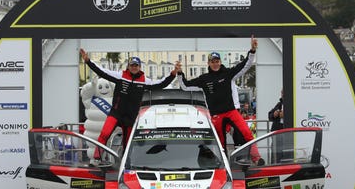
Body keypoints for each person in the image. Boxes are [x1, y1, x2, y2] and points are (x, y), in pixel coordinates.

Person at [80, 49, 180, 160]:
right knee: (104, 134)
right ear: (128, 66)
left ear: (140, 67)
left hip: (130, 117)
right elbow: (102, 72)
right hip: (116, 113)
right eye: (132, 65)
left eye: (136, 65)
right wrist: (88, 61)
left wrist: (173, 74)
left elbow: (161, 84)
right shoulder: (120, 76)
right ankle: (97, 158)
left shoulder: (144, 81)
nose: (134, 67)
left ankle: (125, 162)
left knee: (127, 143)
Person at [178, 36, 263, 165]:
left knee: (246, 132)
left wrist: (252, 51)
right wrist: (179, 74)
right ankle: (223, 165)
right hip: (216, 115)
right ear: (208, 63)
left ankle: (256, 158)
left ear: (220, 62)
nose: (215, 63)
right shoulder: (204, 79)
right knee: (220, 141)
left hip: (231, 111)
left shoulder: (228, 73)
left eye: (217, 61)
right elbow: (185, 86)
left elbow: (245, 65)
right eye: (212, 61)